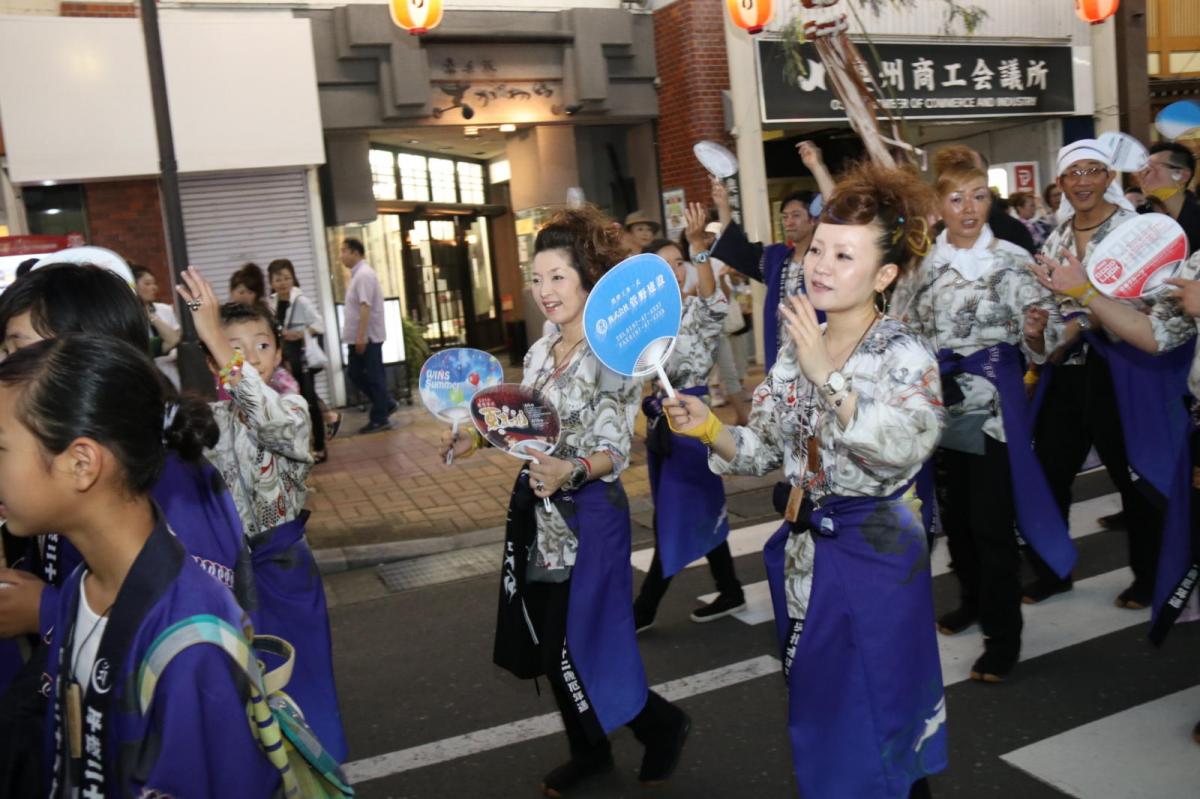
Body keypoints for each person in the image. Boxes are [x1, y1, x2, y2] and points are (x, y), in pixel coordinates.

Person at [667, 161, 946, 799]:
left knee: (880, 709)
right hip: (802, 548)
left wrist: (832, 379)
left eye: (844, 255)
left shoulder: (904, 351)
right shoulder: (800, 342)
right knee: (822, 709)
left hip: (874, 548)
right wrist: (710, 428)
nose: (820, 264)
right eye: (819, 247)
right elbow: (765, 444)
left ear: (883, 276)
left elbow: (908, 447)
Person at [443, 206, 689, 797]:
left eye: (557, 276)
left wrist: (569, 469)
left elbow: (613, 451)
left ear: (586, 277)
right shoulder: (539, 351)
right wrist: (472, 434)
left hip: (589, 517)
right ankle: (594, 750)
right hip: (540, 515)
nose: (545, 291)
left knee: (578, 644)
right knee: (552, 646)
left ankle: (658, 725)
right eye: (537, 278)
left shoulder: (613, 354)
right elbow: (520, 418)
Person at [0, 263, 248, 796]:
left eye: (19, 349)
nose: (7, 364)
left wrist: (42, 609)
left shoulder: (171, 484)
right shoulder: (81, 563)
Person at [890, 145, 1066, 683]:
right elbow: (898, 333)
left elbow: (1052, 332)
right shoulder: (920, 268)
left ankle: (1003, 636)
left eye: (980, 196)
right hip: (938, 409)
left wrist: (1036, 336)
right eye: (957, 198)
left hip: (993, 411)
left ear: (991, 200)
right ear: (939, 205)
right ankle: (970, 599)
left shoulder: (1015, 260)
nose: (969, 208)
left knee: (991, 524)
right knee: (954, 520)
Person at [175, 267, 348, 762]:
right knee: (242, 698)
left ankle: (320, 773)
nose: (251, 358)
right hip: (224, 579)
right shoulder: (203, 421)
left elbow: (272, 424)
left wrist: (213, 334)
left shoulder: (291, 407)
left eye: (262, 346)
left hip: (284, 568)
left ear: (280, 350)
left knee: (302, 683)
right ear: (212, 361)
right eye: (232, 347)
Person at [1024, 138, 1165, 609]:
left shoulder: (1136, 230)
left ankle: (1148, 576)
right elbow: (1045, 308)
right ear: (1061, 183)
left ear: (1109, 177)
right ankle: (1053, 569)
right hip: (1068, 372)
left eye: (1092, 170)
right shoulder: (1057, 236)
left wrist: (1082, 318)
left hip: (1123, 369)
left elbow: (1150, 303)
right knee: (1049, 471)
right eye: (1073, 173)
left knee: (1133, 477)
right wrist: (1037, 334)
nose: (1083, 181)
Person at [633, 212, 745, 631]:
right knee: (695, 509)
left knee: (676, 516)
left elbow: (718, 303)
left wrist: (699, 247)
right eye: (665, 265)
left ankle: (643, 610)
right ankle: (730, 587)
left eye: (679, 262)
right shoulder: (643, 324)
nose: (676, 270)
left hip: (693, 429)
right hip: (663, 430)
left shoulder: (696, 309)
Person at [708, 141, 833, 371]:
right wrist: (723, 205)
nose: (788, 222)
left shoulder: (828, 256)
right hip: (783, 358)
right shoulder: (777, 257)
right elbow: (739, 250)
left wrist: (817, 166)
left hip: (823, 356)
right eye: (785, 217)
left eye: (796, 215)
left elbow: (838, 212)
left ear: (814, 218)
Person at [268, 258, 330, 463]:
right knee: (289, 402)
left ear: (293, 278)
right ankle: (299, 447)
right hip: (284, 359)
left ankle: (319, 447)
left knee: (308, 402)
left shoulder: (300, 300)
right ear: (271, 282)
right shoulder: (272, 302)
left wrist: (301, 333)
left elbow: (319, 324)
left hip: (301, 357)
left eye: (287, 277)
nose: (283, 282)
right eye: (278, 279)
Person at [339, 238, 394, 433]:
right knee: (355, 373)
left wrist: (361, 336)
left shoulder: (363, 275)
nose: (341, 255)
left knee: (373, 376)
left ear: (355, 252)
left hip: (367, 338)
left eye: (344, 251)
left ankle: (380, 417)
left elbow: (365, 306)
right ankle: (385, 403)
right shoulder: (358, 275)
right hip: (360, 337)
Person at [1136, 141, 1200, 251]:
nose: (1143, 176)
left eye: (1150, 169)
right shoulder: (1136, 219)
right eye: (1142, 170)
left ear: (1182, 175)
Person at [131, 265, 182, 388]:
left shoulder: (164, 309)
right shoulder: (129, 315)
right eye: (147, 284)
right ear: (133, 286)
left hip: (170, 372)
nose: (154, 288)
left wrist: (151, 316)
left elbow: (175, 338)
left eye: (154, 283)